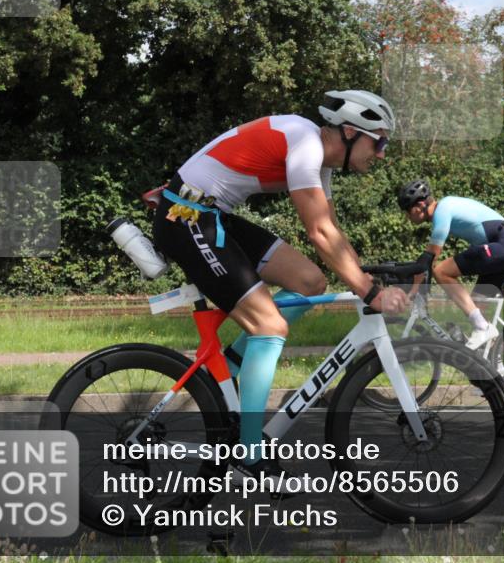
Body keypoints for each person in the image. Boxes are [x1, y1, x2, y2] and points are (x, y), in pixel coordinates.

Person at [152, 90, 408, 489]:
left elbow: (333, 232)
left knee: (310, 282)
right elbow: (318, 232)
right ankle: (249, 457)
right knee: (269, 326)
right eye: (379, 143)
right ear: (349, 132)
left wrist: (365, 277)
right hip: (187, 218)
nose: (382, 154)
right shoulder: (306, 144)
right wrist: (370, 293)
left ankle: (230, 370)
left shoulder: (318, 161)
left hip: (212, 215)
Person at [398, 179, 504, 350]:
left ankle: (482, 328)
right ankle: (490, 361)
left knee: (441, 271)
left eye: (407, 211)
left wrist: (414, 289)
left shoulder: (443, 209)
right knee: (476, 306)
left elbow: (430, 257)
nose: (407, 217)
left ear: (419, 205)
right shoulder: (448, 206)